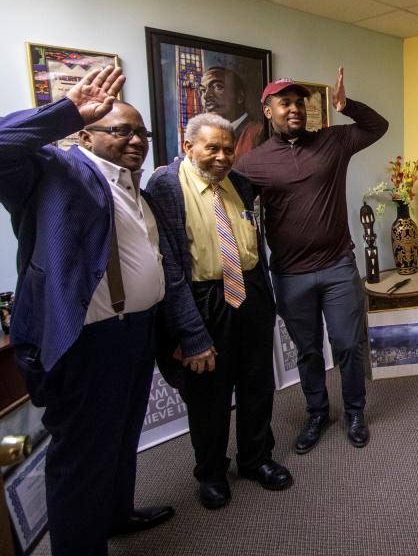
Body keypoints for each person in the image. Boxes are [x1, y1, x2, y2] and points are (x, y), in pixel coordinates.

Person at [0, 67, 176, 555]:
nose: (136, 140)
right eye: (121, 130)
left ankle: (117, 514)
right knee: (79, 460)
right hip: (86, 341)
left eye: (141, 132)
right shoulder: (54, 172)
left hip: (136, 333)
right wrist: (63, 112)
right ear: (84, 134)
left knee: (121, 439)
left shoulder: (134, 188)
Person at [234, 69, 388, 453]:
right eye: (285, 103)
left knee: (348, 345)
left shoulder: (332, 142)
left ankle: (354, 411)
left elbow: (377, 126)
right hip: (289, 274)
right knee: (307, 350)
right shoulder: (251, 163)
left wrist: (345, 105)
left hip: (337, 267)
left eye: (300, 103)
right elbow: (226, 202)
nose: (295, 109)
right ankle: (317, 412)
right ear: (267, 110)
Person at [146, 113, 291, 510]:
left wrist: (267, 300)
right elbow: (170, 267)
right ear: (188, 146)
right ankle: (210, 472)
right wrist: (190, 332)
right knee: (208, 395)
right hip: (203, 299)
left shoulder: (240, 183)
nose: (223, 156)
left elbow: (251, 241)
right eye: (213, 148)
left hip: (250, 295)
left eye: (228, 149)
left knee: (258, 386)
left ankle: (256, 459)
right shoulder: (165, 185)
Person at [200, 66, 264, 158]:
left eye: (218, 87)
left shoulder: (258, 133)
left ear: (240, 97)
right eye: (202, 90)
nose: (206, 96)